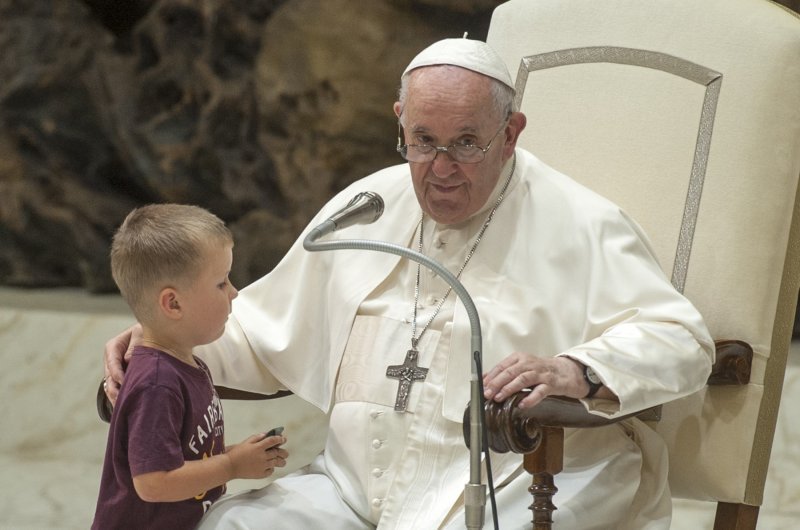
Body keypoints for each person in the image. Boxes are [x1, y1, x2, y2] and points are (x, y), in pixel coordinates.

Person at [103, 38, 714, 529]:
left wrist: (576, 370)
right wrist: (158, 339)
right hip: (353, 490)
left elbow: (682, 339)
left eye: (467, 144)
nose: (441, 169)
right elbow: (263, 332)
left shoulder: (583, 222)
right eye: (422, 142)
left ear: (512, 133)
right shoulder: (365, 207)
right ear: (400, 122)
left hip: (517, 482)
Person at [92, 204, 289, 530]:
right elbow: (154, 482)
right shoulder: (157, 384)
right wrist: (231, 465)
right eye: (222, 283)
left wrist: (239, 453)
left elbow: (177, 457)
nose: (235, 293)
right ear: (173, 303)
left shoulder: (186, 361)